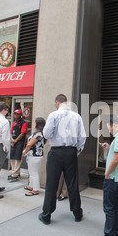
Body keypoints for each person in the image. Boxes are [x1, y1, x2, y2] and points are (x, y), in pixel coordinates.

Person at [39, 94, 86, 225]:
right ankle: (77, 213)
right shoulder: (76, 116)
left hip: (56, 152)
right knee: (72, 183)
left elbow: (47, 134)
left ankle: (46, 215)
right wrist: (76, 151)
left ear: (57, 102)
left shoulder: (53, 115)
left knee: (51, 184)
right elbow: (82, 137)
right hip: (71, 152)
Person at [22, 117, 46, 196]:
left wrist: (25, 151)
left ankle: (35, 189)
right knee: (31, 171)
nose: (34, 123)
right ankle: (31, 186)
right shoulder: (41, 133)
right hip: (35, 155)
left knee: (33, 172)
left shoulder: (38, 134)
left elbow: (29, 144)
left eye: (35, 122)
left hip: (34, 155)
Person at [9, 109, 28, 182]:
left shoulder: (23, 122)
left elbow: (23, 133)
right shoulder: (14, 122)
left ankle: (15, 174)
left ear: (20, 115)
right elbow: (11, 132)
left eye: (17, 114)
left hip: (19, 142)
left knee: (17, 157)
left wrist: (15, 140)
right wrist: (12, 140)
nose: (16, 115)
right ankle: (14, 171)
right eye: (15, 114)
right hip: (13, 141)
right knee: (12, 157)